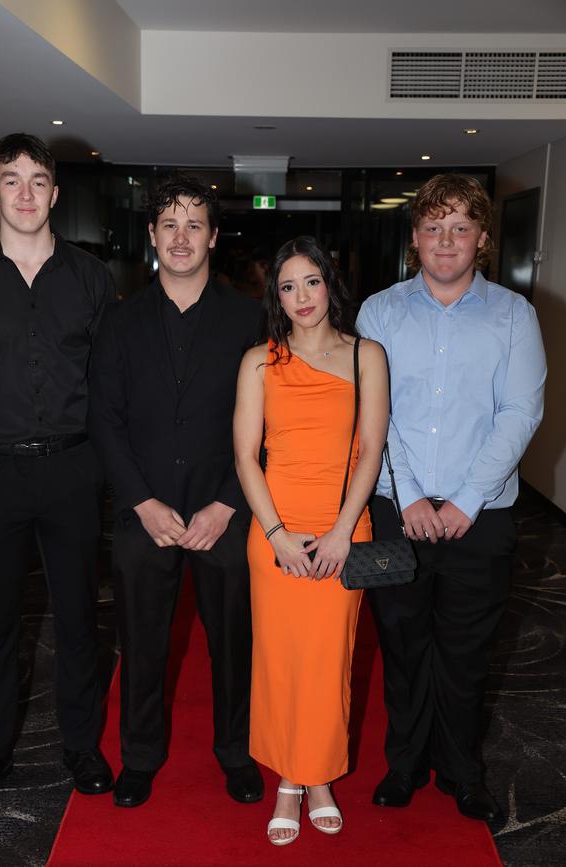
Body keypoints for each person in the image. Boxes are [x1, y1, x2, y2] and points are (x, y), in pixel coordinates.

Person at [0, 133, 116, 811]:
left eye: (39, 181)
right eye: (13, 180)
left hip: (71, 469)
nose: (27, 194)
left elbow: (107, 376)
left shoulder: (93, 278)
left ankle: (82, 746)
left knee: (75, 618)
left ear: (55, 194)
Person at [357, 174, 547, 821]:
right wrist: (408, 495)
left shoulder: (515, 317)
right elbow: (371, 416)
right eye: (433, 227)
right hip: (389, 510)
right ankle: (404, 764)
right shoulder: (378, 312)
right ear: (414, 237)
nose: (446, 240)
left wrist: (466, 499)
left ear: (483, 239)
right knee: (400, 641)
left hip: (484, 516)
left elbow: (521, 413)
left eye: (460, 227)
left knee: (467, 652)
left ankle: (463, 770)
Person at [87, 176, 264, 808]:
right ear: (154, 237)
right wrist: (141, 500)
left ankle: (237, 752)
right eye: (170, 224)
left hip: (225, 510)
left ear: (214, 236)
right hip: (146, 511)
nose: (181, 236)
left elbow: (264, 421)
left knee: (234, 643)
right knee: (141, 643)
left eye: (194, 224)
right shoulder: (119, 318)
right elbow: (103, 417)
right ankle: (140, 756)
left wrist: (225, 503)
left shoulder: (249, 317)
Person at [234, 237, 389, 845]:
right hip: (275, 528)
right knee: (280, 661)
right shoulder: (258, 361)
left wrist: (341, 532)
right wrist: (275, 533)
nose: (302, 297)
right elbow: (246, 456)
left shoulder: (365, 356)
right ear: (276, 295)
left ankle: (318, 778)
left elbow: (371, 451)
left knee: (330, 660)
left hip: (342, 529)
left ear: (332, 283)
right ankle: (289, 781)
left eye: (312, 282)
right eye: (288, 286)